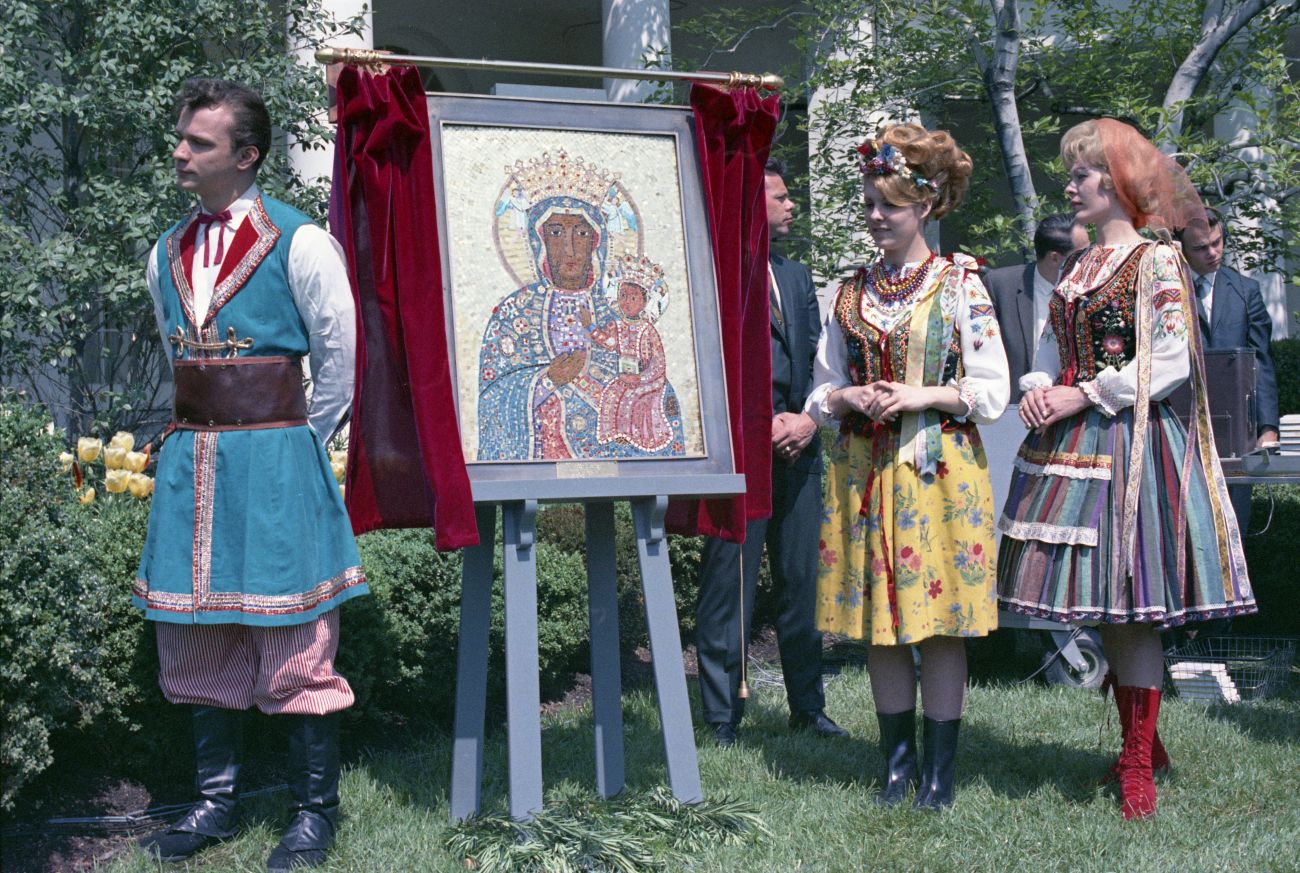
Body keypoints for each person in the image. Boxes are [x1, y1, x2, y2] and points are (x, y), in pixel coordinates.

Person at [132, 78, 367, 870]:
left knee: (295, 634)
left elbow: (340, 361)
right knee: (195, 628)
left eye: (197, 142)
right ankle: (215, 799)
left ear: (246, 154)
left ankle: (313, 811)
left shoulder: (301, 242)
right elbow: (176, 357)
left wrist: (298, 442)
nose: (179, 153)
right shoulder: (162, 251)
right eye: (181, 139)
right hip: (192, 462)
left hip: (275, 457)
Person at [997, 118, 1257, 820]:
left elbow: (1171, 362)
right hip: (1073, 442)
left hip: (1135, 440)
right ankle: (1143, 740)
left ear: (1115, 184)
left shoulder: (1157, 261)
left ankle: (1138, 758)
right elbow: (1051, 345)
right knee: (1106, 606)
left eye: (1082, 175)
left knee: (1133, 606)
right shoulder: (1078, 266)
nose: (1071, 186)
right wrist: (1038, 387)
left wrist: (1082, 391)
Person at [805, 126, 1008, 809]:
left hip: (937, 473)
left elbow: (993, 387)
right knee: (881, 627)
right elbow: (821, 387)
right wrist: (846, 396)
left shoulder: (960, 287)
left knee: (939, 623)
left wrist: (922, 393)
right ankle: (896, 767)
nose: (874, 216)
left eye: (887, 204)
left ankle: (940, 775)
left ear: (924, 207)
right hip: (863, 473)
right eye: (868, 202)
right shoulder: (846, 292)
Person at [695, 157, 847, 747]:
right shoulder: (717, 277)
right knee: (727, 584)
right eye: (779, 197)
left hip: (799, 450)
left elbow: (819, 358)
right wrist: (759, 425)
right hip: (740, 454)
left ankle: (808, 707)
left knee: (803, 583)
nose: (791, 207)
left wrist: (809, 418)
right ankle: (720, 716)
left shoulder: (798, 276)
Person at [477, 150, 685, 461]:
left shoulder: (617, 308)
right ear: (539, 240)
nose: (570, 247)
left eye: (582, 232)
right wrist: (547, 381)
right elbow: (491, 397)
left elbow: (651, 372)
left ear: (597, 241)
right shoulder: (515, 310)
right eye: (557, 232)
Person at [1177, 206, 1279, 532]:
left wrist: (1267, 427)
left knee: (1234, 528)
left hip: (1237, 429)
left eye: (1217, 243)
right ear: (1181, 247)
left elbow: (1261, 361)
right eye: (1201, 248)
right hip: (1182, 425)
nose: (1213, 253)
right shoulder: (1167, 291)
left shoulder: (1246, 291)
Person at [985, 214, 1090, 401]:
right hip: (1013, 411)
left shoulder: (1094, 289)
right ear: (1055, 258)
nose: (1091, 258)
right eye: (1083, 254)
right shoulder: (1000, 286)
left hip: (1075, 407)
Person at [588, 254, 675, 452]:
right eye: (623, 295)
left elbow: (659, 363)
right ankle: (616, 435)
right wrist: (590, 327)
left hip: (648, 379)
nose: (627, 302)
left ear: (644, 301)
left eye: (633, 297)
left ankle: (637, 436)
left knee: (633, 398)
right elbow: (609, 343)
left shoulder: (647, 330)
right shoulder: (618, 325)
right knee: (611, 393)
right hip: (626, 375)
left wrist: (642, 377)